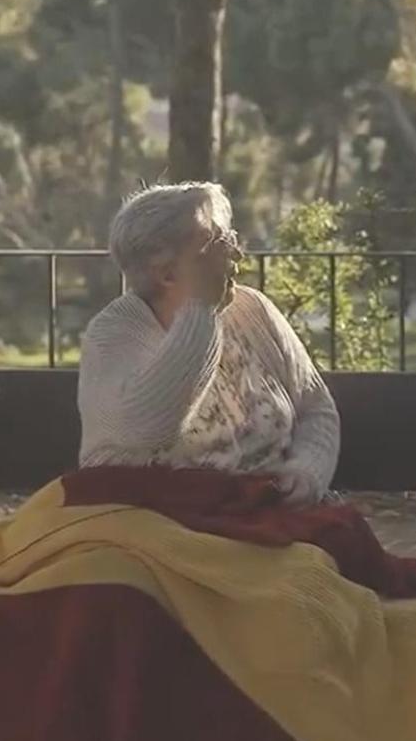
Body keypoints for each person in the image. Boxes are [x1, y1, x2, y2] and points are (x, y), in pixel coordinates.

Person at [76, 182, 340, 505]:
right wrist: (201, 309)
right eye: (215, 243)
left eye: (229, 238)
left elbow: (316, 409)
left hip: (266, 517)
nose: (236, 253)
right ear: (166, 273)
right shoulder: (114, 335)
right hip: (152, 529)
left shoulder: (253, 310)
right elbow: (145, 429)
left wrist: (306, 471)